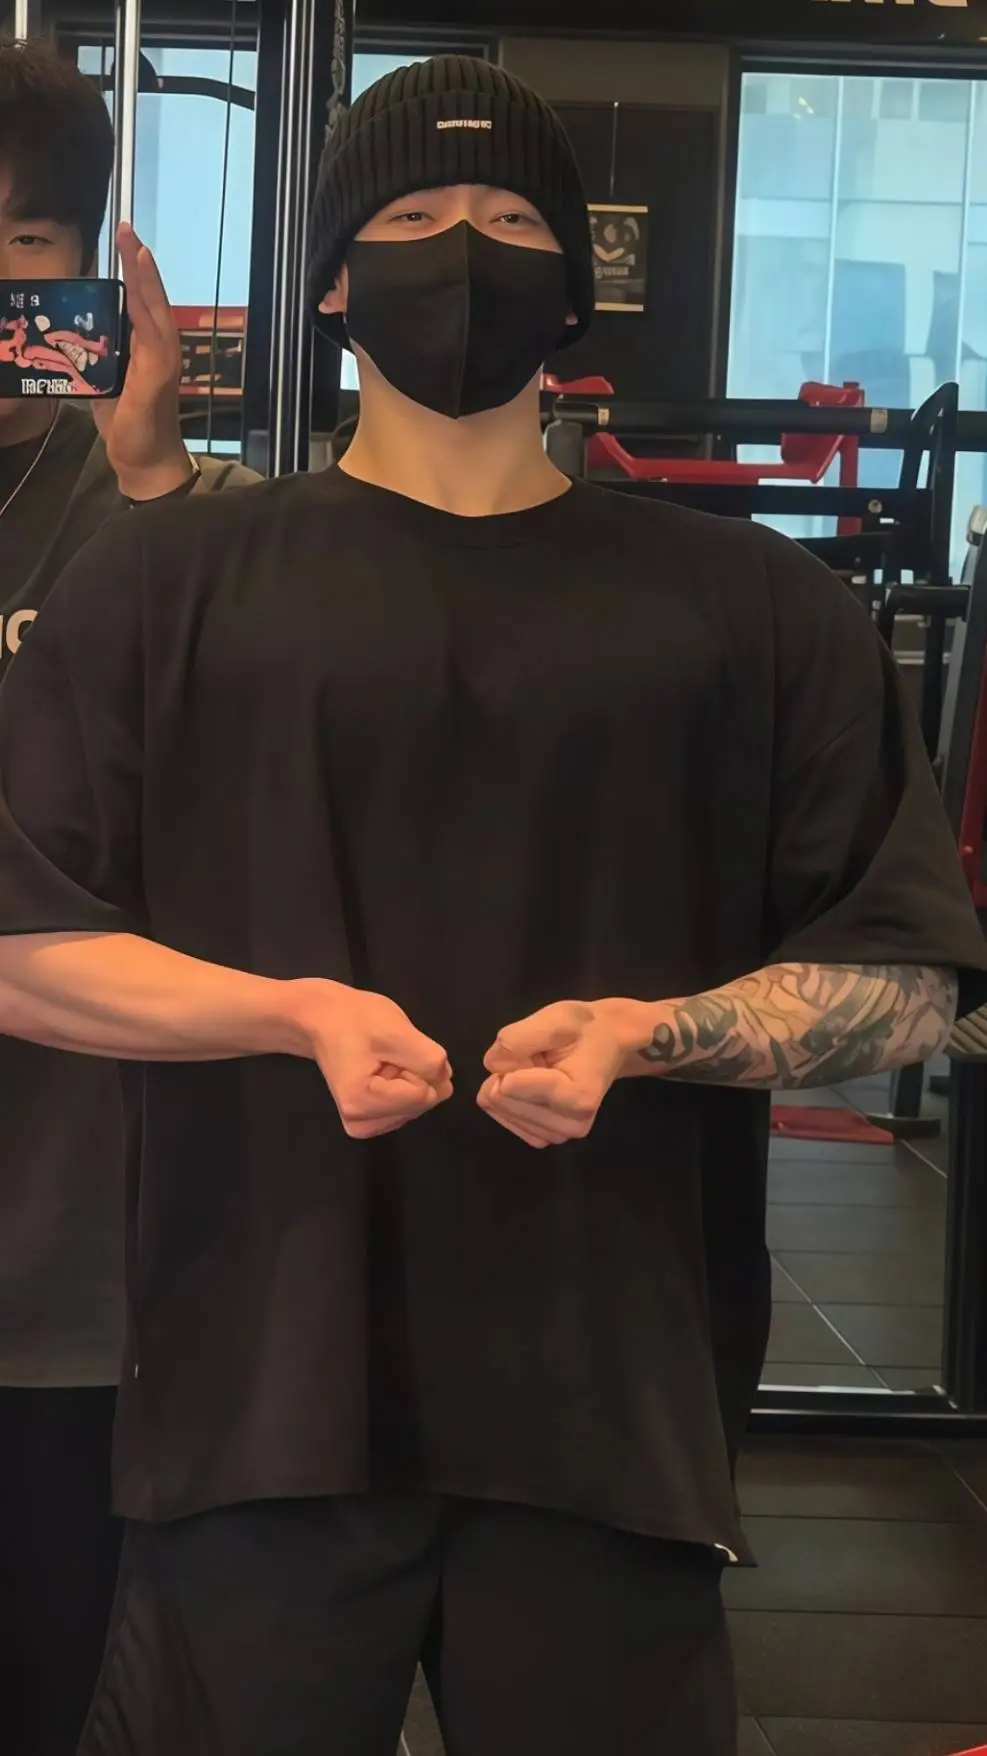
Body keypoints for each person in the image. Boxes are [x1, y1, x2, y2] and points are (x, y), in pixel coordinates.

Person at [0, 52, 982, 1756]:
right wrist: (288, 1013)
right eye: (411, 215)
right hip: (257, 1390)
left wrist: (655, 1033)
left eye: (512, 218)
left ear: (574, 285)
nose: (462, 250)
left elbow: (903, 976)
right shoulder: (164, 586)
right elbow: (23, 945)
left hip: (608, 1403)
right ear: (332, 282)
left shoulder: (760, 611)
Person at [0, 37, 257, 1756]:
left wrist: (154, 473)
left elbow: (261, 787)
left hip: (72, 1267)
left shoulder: (176, 512)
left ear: (87, 269)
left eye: (23, 246)